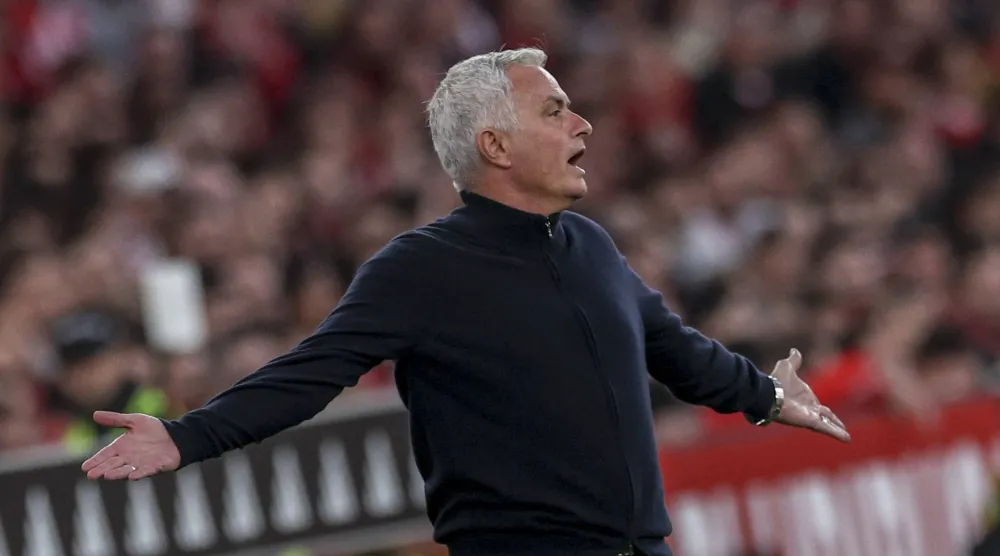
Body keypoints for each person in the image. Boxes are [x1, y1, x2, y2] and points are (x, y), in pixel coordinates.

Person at [82, 48, 850, 556]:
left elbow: (676, 349)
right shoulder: (420, 268)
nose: (582, 123)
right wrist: (187, 437)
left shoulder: (588, 244)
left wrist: (768, 394)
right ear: (495, 146)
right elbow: (310, 373)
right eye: (554, 111)